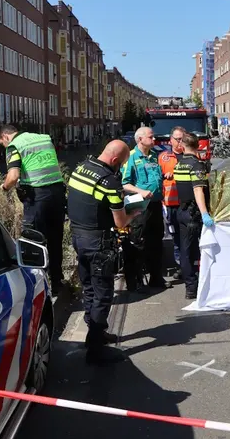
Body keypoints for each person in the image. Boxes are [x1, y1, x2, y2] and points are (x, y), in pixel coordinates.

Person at [67, 140, 139, 364]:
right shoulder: (110, 182)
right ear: (115, 160)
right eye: (121, 164)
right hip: (98, 242)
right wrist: (133, 215)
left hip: (78, 236)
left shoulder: (80, 168)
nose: (120, 169)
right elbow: (120, 223)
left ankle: (94, 332)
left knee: (89, 287)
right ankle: (95, 349)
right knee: (103, 294)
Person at [0, 124, 67, 294]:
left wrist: (4, 188)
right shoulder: (44, 138)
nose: (5, 147)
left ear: (5, 137)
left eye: (3, 144)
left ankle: (38, 286)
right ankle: (57, 281)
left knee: (33, 240)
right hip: (58, 192)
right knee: (55, 238)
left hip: (38, 196)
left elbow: (13, 177)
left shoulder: (15, 145)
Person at [121, 127, 172, 291]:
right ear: (140, 139)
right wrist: (141, 191)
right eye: (151, 137)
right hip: (139, 205)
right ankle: (136, 280)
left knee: (156, 241)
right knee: (138, 242)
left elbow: (155, 176)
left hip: (156, 204)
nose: (154, 140)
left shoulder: (153, 156)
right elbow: (124, 183)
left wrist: (165, 177)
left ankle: (156, 277)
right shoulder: (131, 157)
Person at [173, 133, 214, 299]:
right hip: (194, 213)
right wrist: (205, 213)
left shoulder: (179, 164)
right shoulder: (197, 165)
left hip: (181, 211)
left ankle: (190, 286)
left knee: (186, 250)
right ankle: (198, 285)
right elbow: (198, 190)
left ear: (183, 146)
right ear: (197, 146)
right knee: (202, 248)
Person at [160, 126, 186, 277]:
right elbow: (158, 178)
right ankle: (180, 266)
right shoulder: (163, 158)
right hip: (170, 204)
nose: (179, 142)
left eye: (182, 139)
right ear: (170, 140)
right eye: (177, 139)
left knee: (189, 237)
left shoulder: (190, 156)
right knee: (176, 238)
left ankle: (190, 265)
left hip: (187, 204)